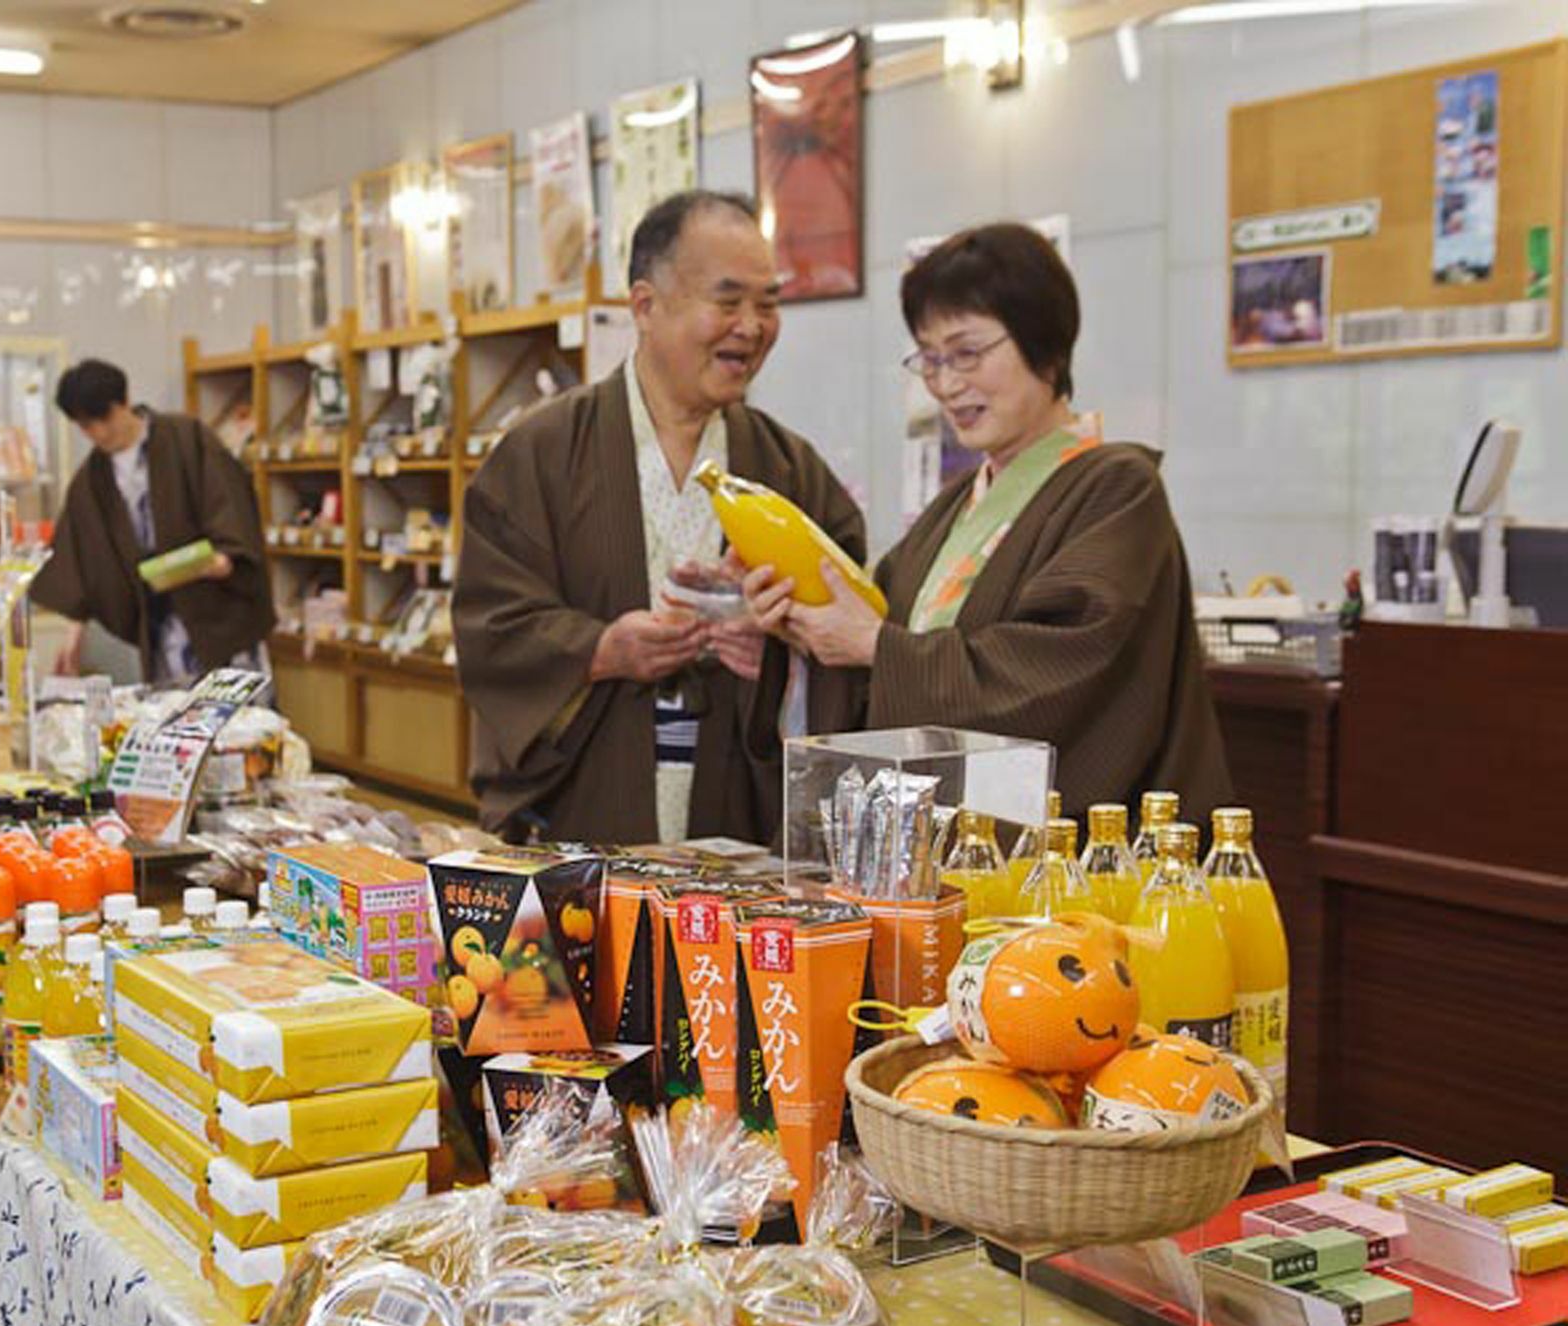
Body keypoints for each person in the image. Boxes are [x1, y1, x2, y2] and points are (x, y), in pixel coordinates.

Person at [743, 222, 1232, 819]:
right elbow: (876, 645)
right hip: (942, 852)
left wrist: (875, 647)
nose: (947, 384)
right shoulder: (953, 510)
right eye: (930, 359)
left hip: (1055, 858)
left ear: (1045, 344)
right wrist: (804, 634)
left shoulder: (1118, 490)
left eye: (968, 353)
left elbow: (1061, 673)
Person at [454, 190, 864, 845]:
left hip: (737, 816)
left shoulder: (790, 469)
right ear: (644, 305)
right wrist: (598, 649)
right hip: (589, 799)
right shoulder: (541, 453)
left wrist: (779, 657)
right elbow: (490, 625)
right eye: (728, 302)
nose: (752, 326)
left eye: (768, 303)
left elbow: (852, 629)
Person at [31, 358, 273, 683]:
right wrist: (74, 630)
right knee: (176, 721)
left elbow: (229, 503)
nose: (99, 432)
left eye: (105, 418)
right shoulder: (92, 479)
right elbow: (82, 558)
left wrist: (227, 556)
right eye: (87, 426)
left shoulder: (187, 439)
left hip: (219, 611)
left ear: (124, 402)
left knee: (246, 722)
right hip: (162, 625)